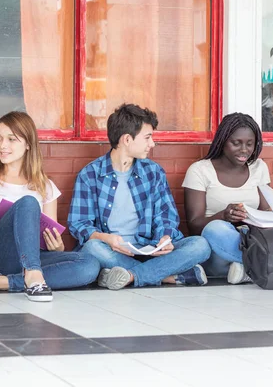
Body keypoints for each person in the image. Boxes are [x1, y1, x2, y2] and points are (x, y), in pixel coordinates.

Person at [69, 104, 211, 290]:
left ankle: (129, 275)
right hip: (113, 251)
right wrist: (105, 238)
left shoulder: (153, 172)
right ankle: (166, 276)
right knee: (91, 249)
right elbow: (79, 224)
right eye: (147, 137)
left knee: (200, 245)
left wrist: (164, 238)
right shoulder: (90, 175)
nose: (152, 144)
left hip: (150, 248)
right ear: (127, 139)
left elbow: (166, 215)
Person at [0, 111, 100, 302]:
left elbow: (50, 238)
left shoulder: (45, 186)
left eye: (11, 139)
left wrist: (58, 247)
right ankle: (31, 277)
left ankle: (4, 282)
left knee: (89, 265)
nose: (3, 146)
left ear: (28, 144)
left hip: (31, 257)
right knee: (28, 203)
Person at [183, 113, 270, 284]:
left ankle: (245, 269)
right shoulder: (200, 170)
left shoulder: (259, 167)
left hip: (250, 238)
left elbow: (266, 212)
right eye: (236, 143)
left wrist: (257, 218)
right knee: (215, 229)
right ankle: (261, 267)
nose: (244, 150)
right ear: (222, 141)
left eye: (250, 144)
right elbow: (194, 225)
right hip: (218, 249)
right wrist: (223, 216)